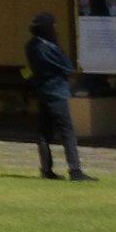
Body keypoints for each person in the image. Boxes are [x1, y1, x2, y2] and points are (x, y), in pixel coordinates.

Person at [25, 11, 90, 182]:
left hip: (42, 92)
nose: (55, 29)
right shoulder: (47, 48)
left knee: (44, 132)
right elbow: (68, 66)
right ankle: (75, 170)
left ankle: (46, 169)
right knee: (67, 132)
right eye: (52, 26)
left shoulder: (31, 45)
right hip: (55, 93)